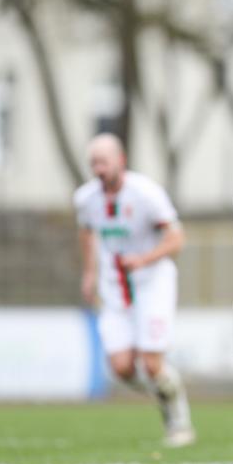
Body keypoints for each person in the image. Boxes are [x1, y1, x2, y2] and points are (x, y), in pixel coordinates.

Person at [74, 133, 195, 447]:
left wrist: (144, 259)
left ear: (121, 161)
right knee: (121, 367)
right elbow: (87, 233)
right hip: (114, 289)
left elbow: (176, 238)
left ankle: (178, 417)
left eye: (104, 162)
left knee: (151, 363)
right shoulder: (86, 198)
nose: (98, 169)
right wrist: (89, 274)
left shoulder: (145, 193)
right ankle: (164, 390)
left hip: (153, 282)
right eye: (93, 163)